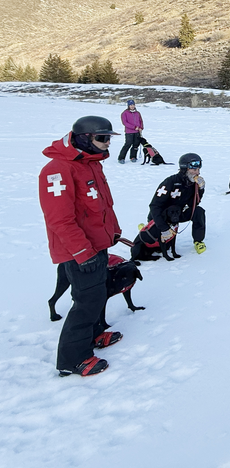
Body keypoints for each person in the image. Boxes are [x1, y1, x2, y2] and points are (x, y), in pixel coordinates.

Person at [38, 116, 124, 377]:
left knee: (98, 293)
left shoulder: (91, 163)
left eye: (109, 138)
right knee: (86, 301)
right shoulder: (58, 170)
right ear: (84, 138)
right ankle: (72, 359)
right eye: (102, 138)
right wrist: (81, 252)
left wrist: (113, 232)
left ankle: (95, 334)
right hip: (78, 251)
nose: (108, 143)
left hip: (96, 245)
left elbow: (103, 206)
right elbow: (59, 219)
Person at [145, 153, 207, 254]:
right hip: (162, 216)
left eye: (198, 170)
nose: (197, 173)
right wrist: (163, 228)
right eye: (194, 170)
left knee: (198, 211)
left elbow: (194, 204)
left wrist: (200, 189)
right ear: (185, 169)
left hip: (177, 214)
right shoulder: (170, 182)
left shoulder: (192, 183)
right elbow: (154, 205)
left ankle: (198, 241)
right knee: (161, 247)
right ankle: (149, 225)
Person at [117, 99, 144, 164]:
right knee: (128, 144)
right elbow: (125, 123)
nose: (132, 106)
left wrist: (141, 127)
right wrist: (134, 127)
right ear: (128, 106)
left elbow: (140, 121)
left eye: (133, 105)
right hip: (129, 132)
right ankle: (121, 158)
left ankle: (133, 156)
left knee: (135, 145)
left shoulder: (137, 113)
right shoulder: (124, 113)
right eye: (131, 105)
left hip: (137, 132)